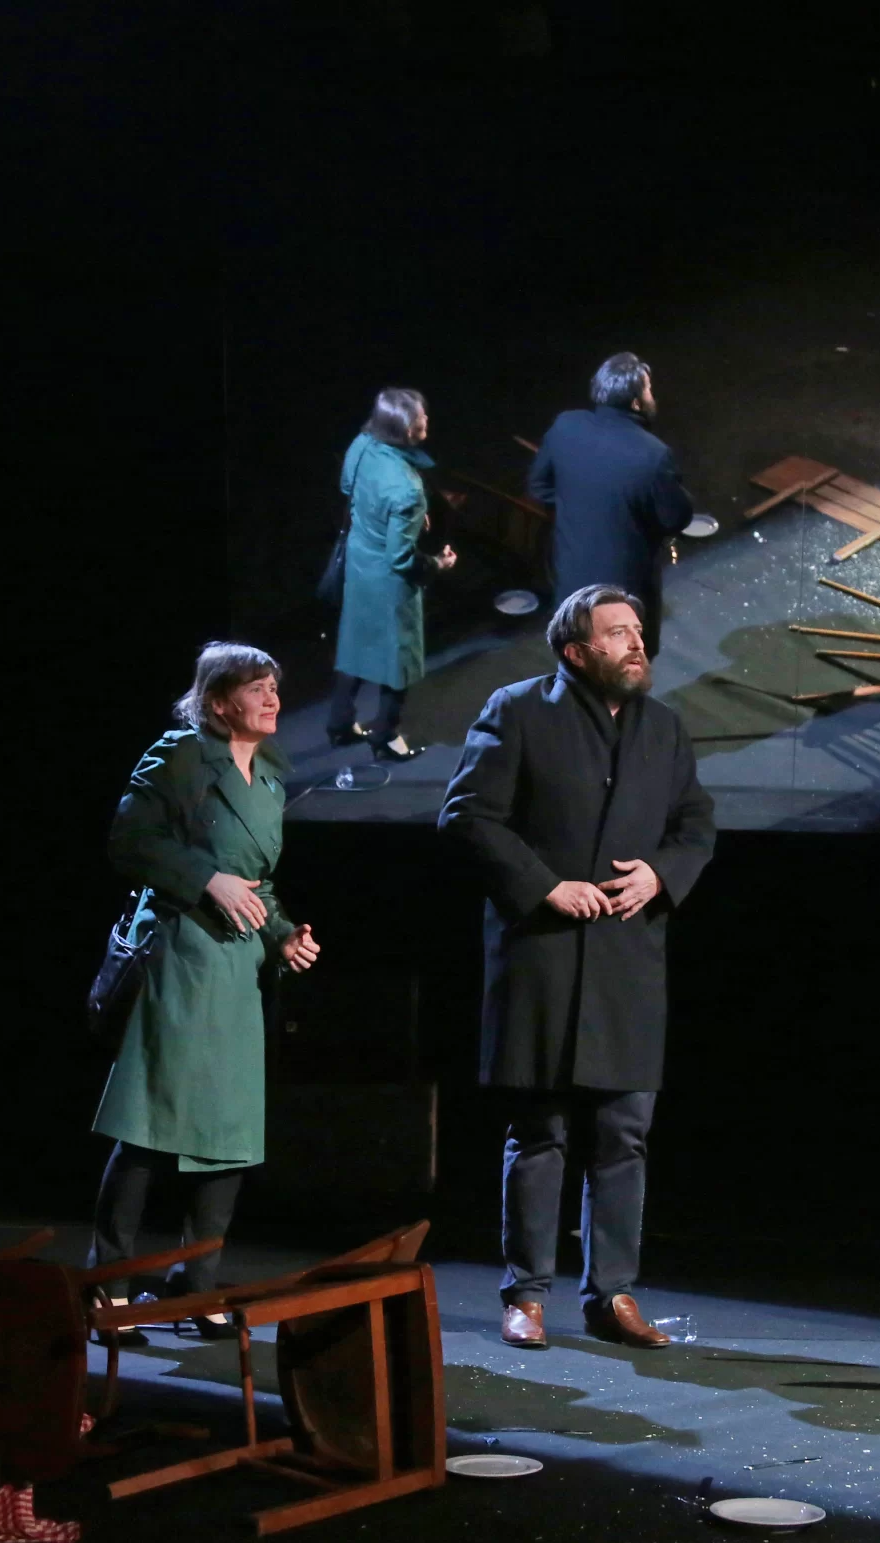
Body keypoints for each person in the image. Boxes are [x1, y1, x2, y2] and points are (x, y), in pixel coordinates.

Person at [435, 584, 718, 1349]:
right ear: (576, 650)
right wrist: (544, 885)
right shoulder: (519, 710)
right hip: (545, 955)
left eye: (638, 630)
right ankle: (526, 1295)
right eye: (617, 632)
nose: (637, 642)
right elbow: (467, 814)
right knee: (541, 1130)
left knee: (625, 1133)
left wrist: (660, 874)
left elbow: (696, 823)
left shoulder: (663, 727)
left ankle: (612, 1294)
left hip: (628, 958)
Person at [89, 642, 321, 1340]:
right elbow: (130, 840)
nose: (272, 698)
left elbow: (257, 880)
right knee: (151, 1123)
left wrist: (282, 934)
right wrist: (205, 879)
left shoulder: (271, 774)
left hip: (237, 968)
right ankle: (109, 1287)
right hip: (181, 956)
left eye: (274, 685)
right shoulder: (182, 755)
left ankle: (198, 1284)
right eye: (256, 687)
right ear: (219, 702)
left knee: (230, 1134)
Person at [527, 353, 694, 657]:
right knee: (626, 669)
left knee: (576, 661)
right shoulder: (653, 454)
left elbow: (539, 486)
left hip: (572, 582)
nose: (652, 395)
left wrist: (577, 505)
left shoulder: (566, 426)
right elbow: (675, 517)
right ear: (636, 403)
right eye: (648, 389)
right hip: (624, 593)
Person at [330, 387, 455, 762]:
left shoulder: (362, 444)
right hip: (389, 584)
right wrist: (438, 564)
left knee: (354, 645)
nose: (426, 419)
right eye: (420, 418)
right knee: (399, 661)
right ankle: (385, 736)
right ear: (404, 430)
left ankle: (339, 724)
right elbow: (400, 559)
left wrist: (397, 516)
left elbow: (348, 487)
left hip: (359, 563)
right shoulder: (407, 490)